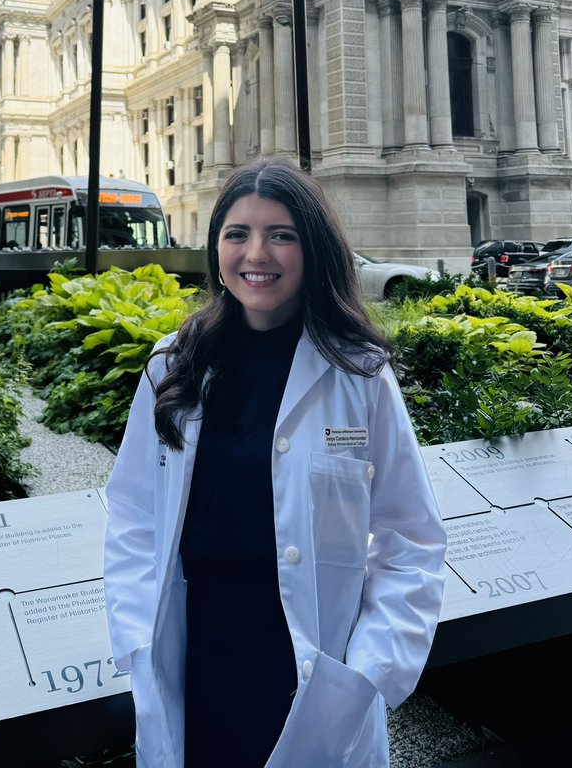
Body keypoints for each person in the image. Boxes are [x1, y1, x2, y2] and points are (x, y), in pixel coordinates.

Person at [104, 158, 446, 768]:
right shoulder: (171, 366)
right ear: (216, 250)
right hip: (196, 651)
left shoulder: (359, 374)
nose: (255, 253)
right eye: (237, 233)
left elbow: (411, 536)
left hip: (311, 670)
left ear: (311, 249)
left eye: (281, 235)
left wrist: (372, 667)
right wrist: (134, 639)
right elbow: (132, 513)